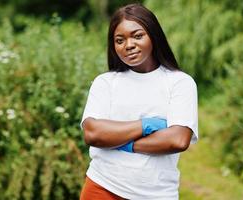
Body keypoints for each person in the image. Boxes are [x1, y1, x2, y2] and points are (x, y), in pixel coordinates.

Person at [79, 3, 198, 200]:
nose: (129, 45)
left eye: (137, 35)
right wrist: (147, 125)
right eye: (119, 40)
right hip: (102, 188)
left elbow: (177, 139)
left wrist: (120, 142)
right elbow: (93, 133)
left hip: (157, 194)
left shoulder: (180, 83)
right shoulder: (105, 83)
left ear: (153, 36)